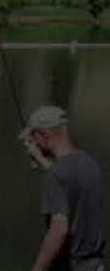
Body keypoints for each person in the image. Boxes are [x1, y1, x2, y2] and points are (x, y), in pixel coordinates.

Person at [20, 106, 105, 271]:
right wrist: (39, 157)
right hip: (95, 264)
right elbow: (68, 181)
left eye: (34, 137)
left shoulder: (56, 175)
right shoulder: (89, 163)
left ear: (44, 135)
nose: (33, 142)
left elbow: (59, 231)